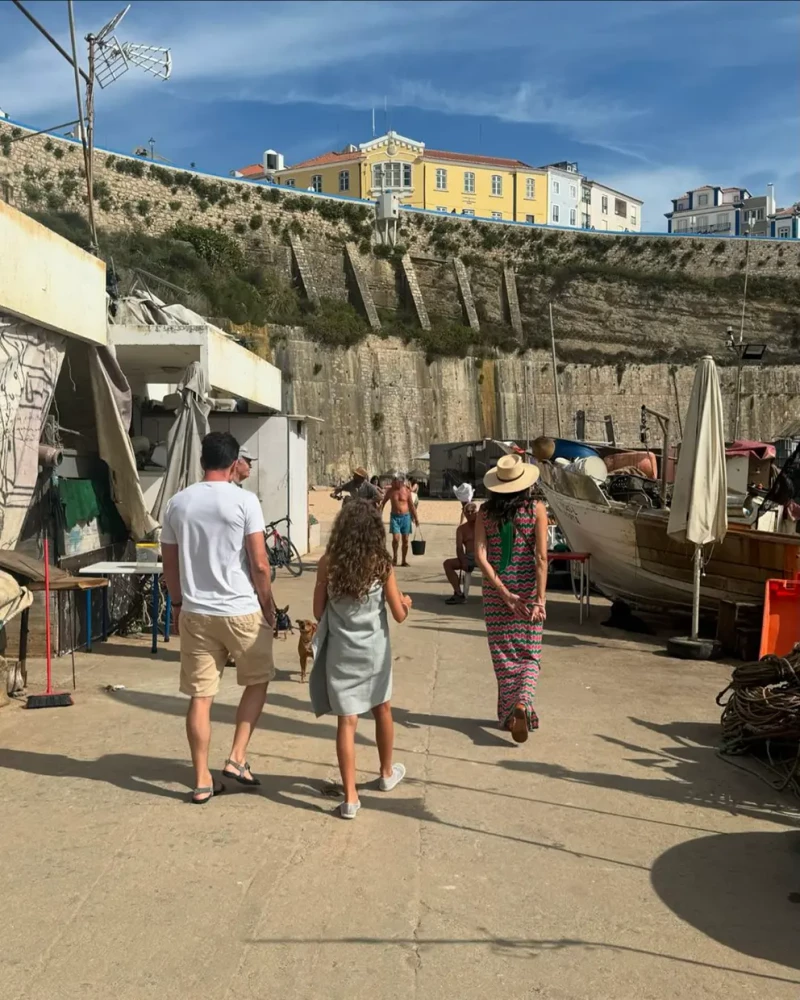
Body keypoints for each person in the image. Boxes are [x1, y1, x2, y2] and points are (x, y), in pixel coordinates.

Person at [161, 431, 277, 804]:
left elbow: (169, 562)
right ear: (233, 464)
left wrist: (177, 604)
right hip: (241, 608)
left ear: (202, 462)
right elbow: (259, 563)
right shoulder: (245, 501)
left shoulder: (177, 503)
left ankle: (201, 780)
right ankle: (237, 757)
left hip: (196, 611)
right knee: (258, 680)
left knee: (200, 696)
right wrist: (268, 604)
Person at [310, 499, 412, 819]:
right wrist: (406, 601)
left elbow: (317, 611)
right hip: (374, 652)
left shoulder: (329, 563)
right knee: (382, 707)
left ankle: (351, 797)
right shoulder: (381, 564)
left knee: (347, 721)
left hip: (341, 652)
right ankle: (385, 773)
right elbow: (398, 614)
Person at [474, 454, 547, 744]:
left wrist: (502, 591)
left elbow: (481, 555)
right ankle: (521, 705)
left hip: (496, 594)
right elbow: (541, 557)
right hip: (528, 591)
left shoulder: (484, 512)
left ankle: (510, 714)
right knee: (530, 656)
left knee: (504, 657)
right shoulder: (536, 509)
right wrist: (540, 598)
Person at [443, 501, 478, 604]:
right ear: (464, 513)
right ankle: (458, 593)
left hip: (484, 556)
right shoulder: (461, 529)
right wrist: (463, 561)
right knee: (447, 564)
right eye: (467, 512)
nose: (470, 514)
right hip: (469, 557)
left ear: (477, 512)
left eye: (473, 511)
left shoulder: (483, 526)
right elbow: (459, 548)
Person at [382, 473, 419, 567]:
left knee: (405, 540)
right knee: (395, 539)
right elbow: (383, 503)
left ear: (400, 482)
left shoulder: (406, 491)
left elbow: (411, 506)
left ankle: (404, 560)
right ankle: (395, 558)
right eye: (393, 480)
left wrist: (416, 518)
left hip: (406, 517)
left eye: (395, 480)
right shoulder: (390, 491)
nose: (393, 482)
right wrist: (379, 514)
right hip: (394, 517)